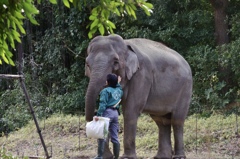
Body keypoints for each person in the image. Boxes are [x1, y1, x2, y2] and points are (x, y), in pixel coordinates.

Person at [94, 73, 123, 159]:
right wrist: (118, 82)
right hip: (115, 114)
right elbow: (119, 87)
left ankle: (99, 156)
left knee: (102, 135)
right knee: (115, 136)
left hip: (107, 113)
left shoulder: (105, 91)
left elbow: (102, 104)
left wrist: (98, 115)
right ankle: (116, 157)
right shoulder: (119, 91)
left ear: (107, 82)